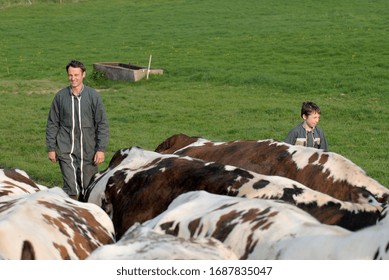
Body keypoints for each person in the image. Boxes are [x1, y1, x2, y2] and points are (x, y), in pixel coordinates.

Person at [46, 60, 109, 200]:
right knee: (71, 189)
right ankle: (71, 217)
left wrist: (101, 149)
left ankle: (88, 218)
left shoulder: (93, 96)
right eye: (70, 75)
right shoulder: (60, 97)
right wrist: (51, 148)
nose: (73, 78)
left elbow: (102, 124)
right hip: (66, 150)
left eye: (76, 75)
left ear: (83, 74)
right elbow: (52, 123)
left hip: (89, 151)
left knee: (89, 189)